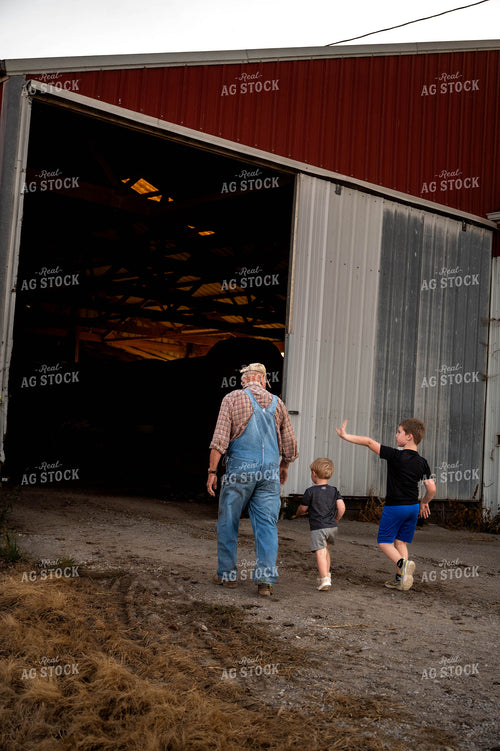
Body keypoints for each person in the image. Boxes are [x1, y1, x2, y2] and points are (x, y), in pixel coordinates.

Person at [207, 363, 298, 596]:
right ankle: (265, 582)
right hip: (269, 473)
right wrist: (284, 466)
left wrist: (212, 472)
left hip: (240, 470)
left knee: (228, 521)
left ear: (246, 380)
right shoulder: (279, 404)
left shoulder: (233, 398)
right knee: (267, 526)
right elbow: (289, 444)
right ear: (264, 380)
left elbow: (220, 439)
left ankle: (227, 576)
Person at [335, 418, 436, 590]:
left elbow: (368, 442)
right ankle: (400, 579)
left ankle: (402, 564)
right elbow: (431, 488)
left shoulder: (395, 455)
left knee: (384, 541)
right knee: (400, 542)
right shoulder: (423, 462)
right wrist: (424, 502)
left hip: (395, 507)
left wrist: (345, 436)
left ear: (409, 436)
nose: (396, 435)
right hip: (412, 508)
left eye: (399, 432)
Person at [295, 457, 346, 591]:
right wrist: (337, 519)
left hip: (318, 527)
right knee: (325, 550)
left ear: (314, 474)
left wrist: (298, 512)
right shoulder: (334, 490)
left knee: (320, 552)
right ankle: (327, 575)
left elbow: (303, 508)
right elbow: (341, 508)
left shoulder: (310, 492)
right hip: (332, 527)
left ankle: (324, 580)